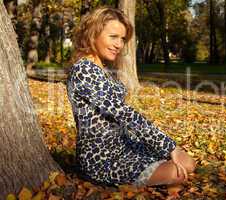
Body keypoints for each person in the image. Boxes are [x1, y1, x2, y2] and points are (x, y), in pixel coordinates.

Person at [67, 7, 196, 187]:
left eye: (122, 39)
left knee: (188, 163)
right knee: (177, 172)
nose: (119, 44)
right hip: (102, 160)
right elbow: (125, 114)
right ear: (92, 34)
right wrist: (169, 146)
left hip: (126, 146)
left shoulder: (102, 69)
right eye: (113, 37)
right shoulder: (84, 70)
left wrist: (167, 148)